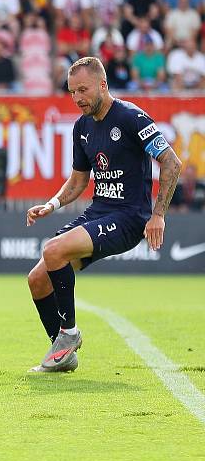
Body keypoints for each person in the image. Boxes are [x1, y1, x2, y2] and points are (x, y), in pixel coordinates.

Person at [25, 57, 182, 373]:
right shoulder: (82, 126)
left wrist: (158, 215)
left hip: (130, 217)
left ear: (103, 85)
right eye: (72, 92)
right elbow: (79, 180)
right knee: (38, 279)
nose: (77, 98)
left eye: (83, 90)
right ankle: (63, 354)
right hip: (99, 212)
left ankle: (69, 334)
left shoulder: (131, 117)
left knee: (52, 250)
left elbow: (172, 162)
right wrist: (52, 205)